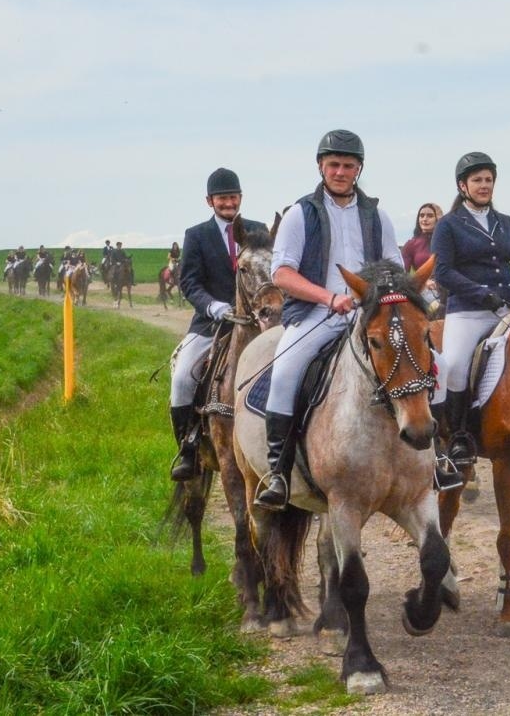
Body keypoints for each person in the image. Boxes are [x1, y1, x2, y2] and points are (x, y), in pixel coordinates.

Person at [253, 130, 405, 510]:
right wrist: (328, 296)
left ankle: (434, 458)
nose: (340, 171)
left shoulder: (377, 216)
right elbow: (282, 274)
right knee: (286, 370)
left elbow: (395, 267)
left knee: (420, 365)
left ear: (359, 169)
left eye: (348, 165)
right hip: (317, 312)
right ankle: (278, 472)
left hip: (371, 315)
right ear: (321, 166)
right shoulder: (299, 214)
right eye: (333, 164)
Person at [430, 152, 510, 475]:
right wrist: (480, 293)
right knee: (456, 367)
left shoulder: (506, 223)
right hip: (468, 312)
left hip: (508, 307)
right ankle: (460, 437)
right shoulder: (448, 225)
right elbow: (443, 272)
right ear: (463, 185)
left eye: (488, 179)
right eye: (477, 180)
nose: (484, 185)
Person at [170, 167, 268, 483]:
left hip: (256, 322)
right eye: (222, 198)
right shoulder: (196, 235)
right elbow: (189, 281)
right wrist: (213, 306)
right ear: (209, 201)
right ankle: (188, 445)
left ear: (241, 198)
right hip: (211, 324)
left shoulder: (258, 229)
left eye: (233, 196)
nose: (228, 202)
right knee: (183, 377)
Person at [401, 203, 442, 272]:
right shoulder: (411, 245)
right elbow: (403, 274)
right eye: (421, 216)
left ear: (438, 218)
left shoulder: (448, 241)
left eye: (430, 216)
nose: (424, 219)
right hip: (421, 282)